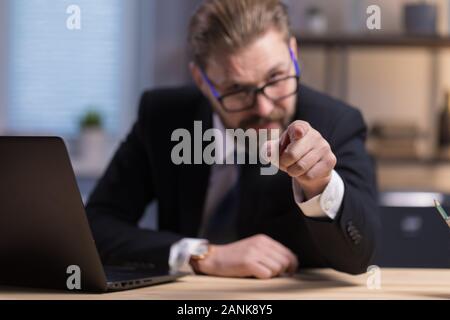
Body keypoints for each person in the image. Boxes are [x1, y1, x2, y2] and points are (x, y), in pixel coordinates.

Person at [86, 0, 380, 279]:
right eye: (238, 90)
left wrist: (319, 186)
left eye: (276, 78)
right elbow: (95, 227)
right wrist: (201, 255)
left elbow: (359, 255)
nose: (264, 109)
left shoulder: (336, 122)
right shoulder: (163, 117)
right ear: (201, 80)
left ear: (293, 51)